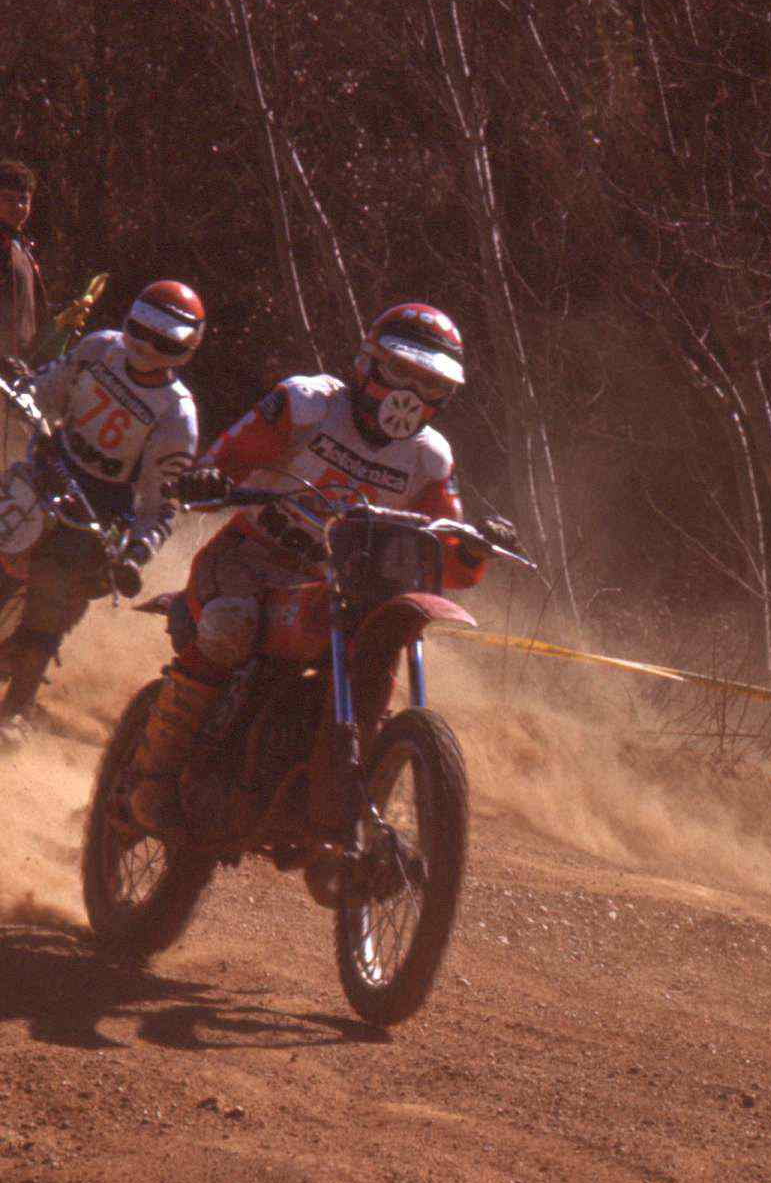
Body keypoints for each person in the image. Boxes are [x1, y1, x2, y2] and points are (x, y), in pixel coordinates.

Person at [129, 301, 504, 833]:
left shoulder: (430, 458)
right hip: (252, 556)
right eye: (401, 371)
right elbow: (227, 457)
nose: (411, 395)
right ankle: (152, 780)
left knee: (375, 657)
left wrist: (473, 548)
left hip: (341, 586)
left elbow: (442, 556)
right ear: (368, 362)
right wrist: (209, 477)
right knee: (230, 626)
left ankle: (348, 803)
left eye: (431, 385)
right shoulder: (307, 404)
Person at [0, 279, 204, 736]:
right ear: (129, 321)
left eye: (164, 341)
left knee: (53, 597)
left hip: (99, 510)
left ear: (186, 348)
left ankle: (16, 708)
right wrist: (25, 388)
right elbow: (49, 390)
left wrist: (136, 553)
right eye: (141, 331)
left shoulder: (177, 415)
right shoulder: (99, 348)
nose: (147, 347)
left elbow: (161, 502)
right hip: (49, 465)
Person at [0, 159, 43, 364]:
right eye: (8, 199)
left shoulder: (21, 245)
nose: (17, 207)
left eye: (23, 200)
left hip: (21, 364)